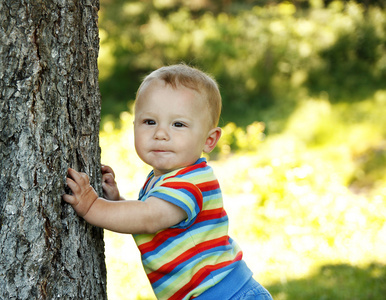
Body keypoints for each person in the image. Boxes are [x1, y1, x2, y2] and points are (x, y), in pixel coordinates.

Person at [63, 64, 273, 300]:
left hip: (224, 294)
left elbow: (149, 218)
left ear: (209, 139)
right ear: (134, 126)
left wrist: (92, 205)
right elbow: (153, 220)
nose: (161, 133)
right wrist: (116, 201)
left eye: (178, 124)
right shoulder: (164, 178)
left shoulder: (191, 182)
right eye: (150, 122)